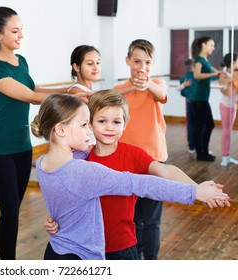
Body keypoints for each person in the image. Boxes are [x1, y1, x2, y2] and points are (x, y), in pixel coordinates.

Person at [32, 94, 229, 260]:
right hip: (84, 254)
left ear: (125, 123)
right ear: (62, 129)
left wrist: (197, 188)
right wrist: (194, 192)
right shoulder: (83, 165)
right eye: (88, 124)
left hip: (99, 247)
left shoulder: (42, 163)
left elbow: (164, 172)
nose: (107, 127)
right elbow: (142, 184)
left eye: (116, 121)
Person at [0, 6, 91, 260]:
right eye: (15, 31)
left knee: (15, 211)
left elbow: (34, 87)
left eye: (21, 29)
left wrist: (68, 86)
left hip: (22, 147)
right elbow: (30, 97)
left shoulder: (20, 61)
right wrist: (68, 94)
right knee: (10, 212)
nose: (21, 35)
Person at [112, 39, 168, 260]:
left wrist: (146, 85)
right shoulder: (119, 91)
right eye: (136, 61)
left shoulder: (158, 84)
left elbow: (161, 94)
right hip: (126, 163)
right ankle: (135, 259)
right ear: (127, 61)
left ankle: (151, 263)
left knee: (152, 220)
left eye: (147, 62)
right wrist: (131, 87)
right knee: (133, 219)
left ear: (152, 65)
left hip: (154, 160)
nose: (142, 67)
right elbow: (112, 98)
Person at [190, 36, 220, 162]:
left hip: (202, 98)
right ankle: (201, 153)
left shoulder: (205, 60)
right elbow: (197, 75)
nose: (213, 48)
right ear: (204, 45)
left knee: (204, 125)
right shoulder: (199, 60)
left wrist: (221, 73)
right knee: (206, 125)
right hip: (198, 99)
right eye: (211, 45)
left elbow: (216, 72)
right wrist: (213, 74)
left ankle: (203, 152)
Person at [218, 53, 238, 166]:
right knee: (226, 131)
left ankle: (228, 155)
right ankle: (224, 157)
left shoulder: (235, 74)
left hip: (233, 106)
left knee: (229, 132)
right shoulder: (224, 74)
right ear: (233, 62)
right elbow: (222, 85)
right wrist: (232, 78)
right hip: (225, 106)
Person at [177, 58, 196, 154]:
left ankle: (191, 146)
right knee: (200, 125)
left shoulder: (183, 78)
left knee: (191, 124)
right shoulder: (197, 77)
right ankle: (198, 146)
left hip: (189, 103)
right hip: (198, 103)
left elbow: (181, 92)